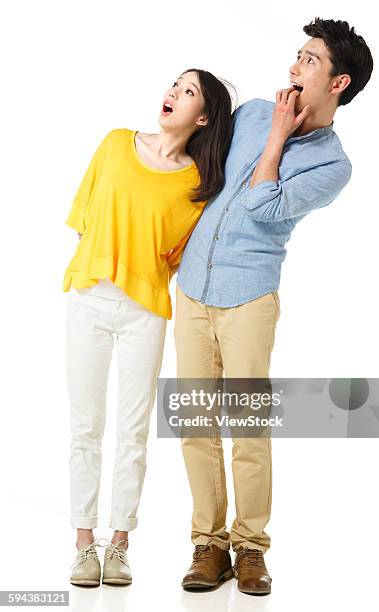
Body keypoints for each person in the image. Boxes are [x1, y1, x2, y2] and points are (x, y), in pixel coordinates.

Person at [175, 18, 373, 595]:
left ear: (338, 83)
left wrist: (280, 136)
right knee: (195, 422)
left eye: (310, 61)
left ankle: (251, 548)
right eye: (298, 55)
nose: (295, 67)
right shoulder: (252, 111)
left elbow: (263, 206)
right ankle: (207, 545)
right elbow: (201, 171)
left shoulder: (332, 165)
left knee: (248, 427)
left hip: (249, 299)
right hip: (191, 290)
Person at [63, 68, 235, 586]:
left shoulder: (197, 186)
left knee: (133, 431)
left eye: (188, 92)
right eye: (173, 85)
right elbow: (86, 219)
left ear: (202, 117)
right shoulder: (115, 144)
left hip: (145, 311)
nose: (172, 94)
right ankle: (82, 543)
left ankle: (119, 544)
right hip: (90, 295)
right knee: (85, 425)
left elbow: (177, 254)